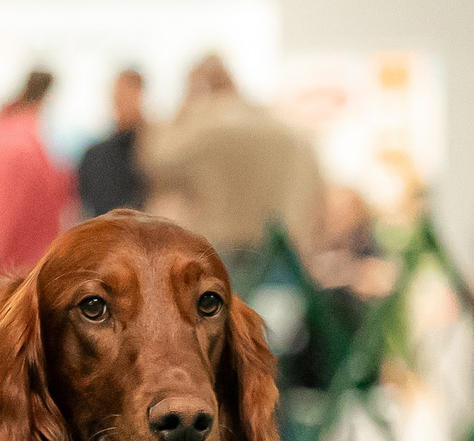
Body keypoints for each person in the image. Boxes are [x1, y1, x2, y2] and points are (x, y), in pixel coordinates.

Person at [139, 55, 322, 289]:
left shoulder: (205, 129)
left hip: (221, 249)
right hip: (282, 252)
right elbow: (316, 190)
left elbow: (155, 159)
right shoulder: (285, 130)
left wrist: (185, 103)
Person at [0, 69, 71, 277]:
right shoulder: (22, 141)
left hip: (11, 253)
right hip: (16, 259)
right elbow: (6, 208)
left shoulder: (11, 130)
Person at [76, 67, 149, 218]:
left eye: (126, 94)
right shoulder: (96, 154)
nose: (119, 100)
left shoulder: (153, 148)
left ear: (140, 95)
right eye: (118, 95)